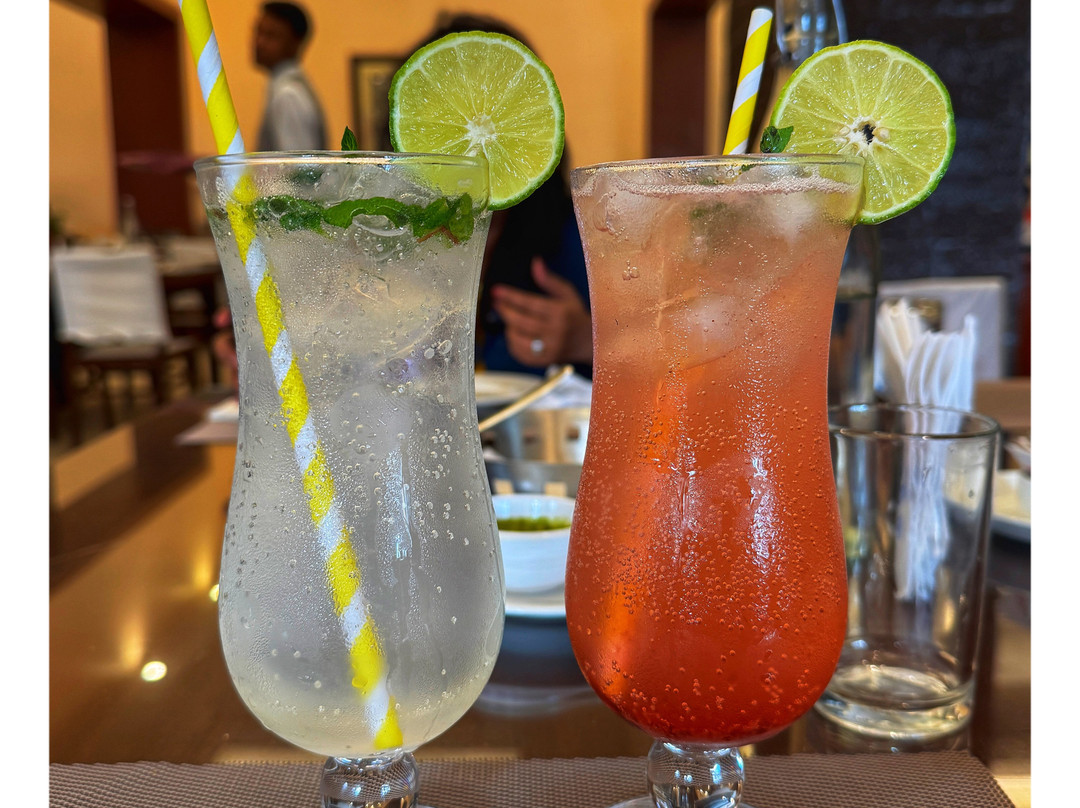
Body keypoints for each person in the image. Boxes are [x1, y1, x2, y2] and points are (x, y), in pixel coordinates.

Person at [411, 13, 593, 378]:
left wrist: (583, 339)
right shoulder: (391, 235)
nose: (473, 132)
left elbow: (654, 355)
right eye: (449, 113)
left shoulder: (575, 232)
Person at [253, 2, 327, 151]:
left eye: (271, 35)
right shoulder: (286, 88)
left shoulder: (288, 94)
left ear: (295, 43)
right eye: (258, 31)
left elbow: (299, 164)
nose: (259, 42)